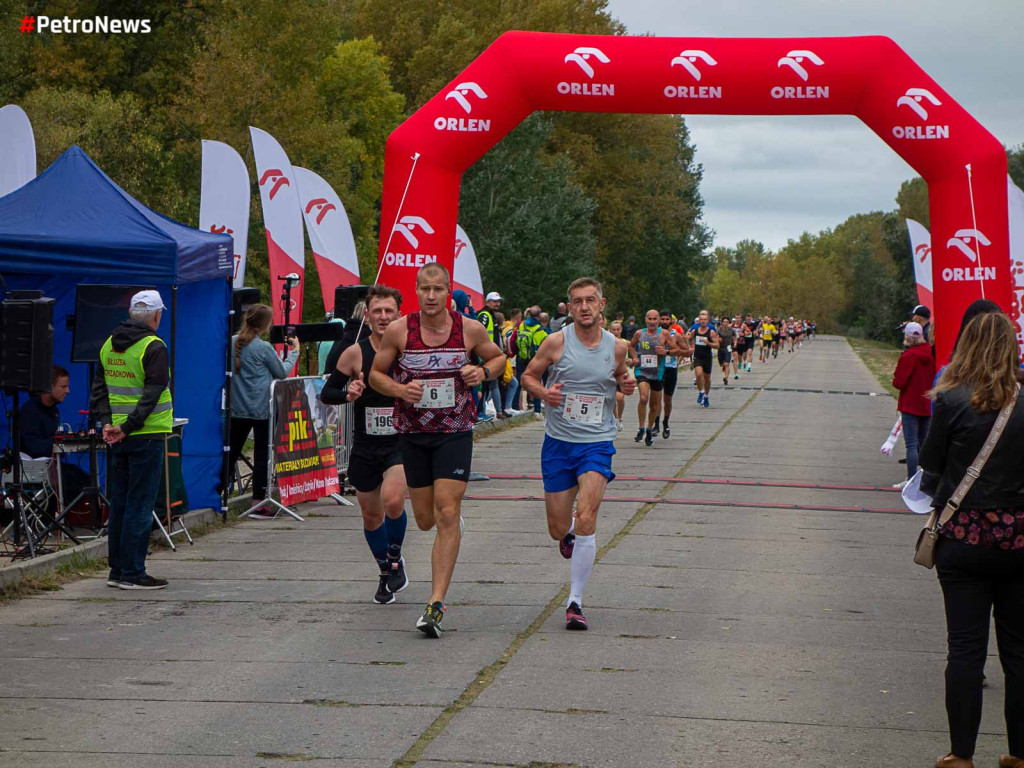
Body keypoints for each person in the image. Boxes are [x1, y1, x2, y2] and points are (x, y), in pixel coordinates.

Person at [370, 263, 506, 637]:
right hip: (413, 434)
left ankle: (435, 604)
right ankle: (449, 523)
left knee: (447, 512)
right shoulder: (400, 330)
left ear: (449, 292)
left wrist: (484, 373)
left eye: (438, 289)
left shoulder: (469, 328)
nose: (431, 296)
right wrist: (399, 390)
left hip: (454, 432)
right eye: (425, 289)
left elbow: (497, 358)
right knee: (426, 519)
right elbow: (375, 375)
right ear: (416, 290)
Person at [919, 311, 1024, 768]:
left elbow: (930, 468)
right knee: (1019, 650)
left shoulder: (950, 399)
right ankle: (1019, 753)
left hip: (962, 539)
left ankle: (961, 754)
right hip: (1020, 540)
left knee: (965, 647)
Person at [521, 277, 635, 630]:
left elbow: (620, 375)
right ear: (569, 308)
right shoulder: (555, 342)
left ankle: (575, 601)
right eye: (577, 302)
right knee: (558, 528)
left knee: (587, 516)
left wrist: (627, 382)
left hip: (598, 441)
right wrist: (544, 394)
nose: (584, 307)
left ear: (602, 305)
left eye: (590, 300)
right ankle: (568, 534)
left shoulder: (617, 346)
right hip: (558, 442)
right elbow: (527, 376)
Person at [322, 286, 409, 605]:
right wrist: (349, 394)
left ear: (398, 313)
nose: (384, 316)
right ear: (367, 315)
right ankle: (386, 572)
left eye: (389, 310)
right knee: (371, 515)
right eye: (378, 311)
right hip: (365, 443)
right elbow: (327, 392)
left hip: (400, 441)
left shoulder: (409, 350)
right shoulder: (355, 353)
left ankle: (397, 559)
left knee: (393, 499)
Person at [90, 290, 173, 590]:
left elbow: (99, 389)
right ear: (156, 315)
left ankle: (117, 571)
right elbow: (152, 394)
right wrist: (128, 426)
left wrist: (107, 424)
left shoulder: (109, 344)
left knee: (121, 504)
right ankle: (134, 572)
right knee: (140, 504)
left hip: (118, 436)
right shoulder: (154, 346)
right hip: (146, 434)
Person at [228, 304, 301, 516]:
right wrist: (295, 351)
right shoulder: (264, 348)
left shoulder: (232, 343)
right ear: (266, 324)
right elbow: (282, 372)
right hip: (262, 408)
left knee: (230, 452)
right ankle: (258, 502)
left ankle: (218, 494)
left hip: (237, 407)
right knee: (262, 455)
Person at [19, 365, 89, 506]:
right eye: (63, 387)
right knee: (74, 482)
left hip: (52, 465)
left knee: (85, 478)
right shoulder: (30, 411)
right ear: (49, 387)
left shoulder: (53, 411)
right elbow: (32, 446)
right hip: (33, 467)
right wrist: (57, 444)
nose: (67, 391)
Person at [891, 321, 935, 489]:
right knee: (923, 444)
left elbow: (899, 382)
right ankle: (925, 479)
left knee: (911, 444)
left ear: (908, 337)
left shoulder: (908, 356)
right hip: (926, 403)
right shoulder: (929, 354)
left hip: (910, 404)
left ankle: (910, 479)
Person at [629, 309, 670, 446]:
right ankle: (641, 427)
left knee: (654, 405)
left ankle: (649, 429)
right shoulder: (639, 333)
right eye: (649, 319)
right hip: (642, 371)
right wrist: (634, 357)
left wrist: (665, 351)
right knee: (643, 397)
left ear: (658, 320)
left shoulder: (664, 334)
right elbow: (631, 345)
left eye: (654, 319)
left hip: (657, 373)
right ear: (645, 320)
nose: (652, 322)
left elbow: (677, 349)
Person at [655, 310, 687, 439]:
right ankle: (655, 423)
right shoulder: (654, 334)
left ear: (671, 321)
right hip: (657, 369)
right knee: (656, 398)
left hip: (671, 369)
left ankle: (666, 422)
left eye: (666, 319)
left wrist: (670, 352)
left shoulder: (676, 335)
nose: (664, 322)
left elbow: (686, 351)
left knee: (667, 399)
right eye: (662, 319)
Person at [476, 292, 504, 422]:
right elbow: (479, 331)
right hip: (485, 356)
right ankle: (479, 412)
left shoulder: (493, 315)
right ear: (487, 302)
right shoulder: (485, 315)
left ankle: (482, 411)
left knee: (489, 385)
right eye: (494, 301)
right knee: (484, 385)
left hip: (491, 356)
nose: (497, 303)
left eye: (498, 301)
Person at [515, 307, 547, 415]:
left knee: (519, 382)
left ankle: (514, 407)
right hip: (534, 359)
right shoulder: (540, 329)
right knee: (536, 382)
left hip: (521, 357)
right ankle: (537, 410)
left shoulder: (522, 324)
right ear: (539, 316)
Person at [688, 309, 720, 408]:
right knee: (698, 374)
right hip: (698, 356)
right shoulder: (695, 331)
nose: (703, 321)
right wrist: (690, 347)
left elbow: (717, 345)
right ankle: (701, 392)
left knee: (707, 379)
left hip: (707, 357)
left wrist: (709, 343)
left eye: (705, 319)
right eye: (701, 319)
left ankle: (706, 396)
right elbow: (687, 339)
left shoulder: (711, 332)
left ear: (708, 320)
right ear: (698, 320)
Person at [717, 316, 735, 386]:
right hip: (720, 348)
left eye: (727, 322)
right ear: (722, 323)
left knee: (727, 363)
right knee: (722, 364)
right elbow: (715, 337)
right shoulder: (719, 330)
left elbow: (735, 336)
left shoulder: (731, 330)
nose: (726, 323)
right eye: (724, 322)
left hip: (728, 348)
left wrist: (735, 342)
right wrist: (718, 339)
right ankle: (723, 366)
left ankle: (726, 378)